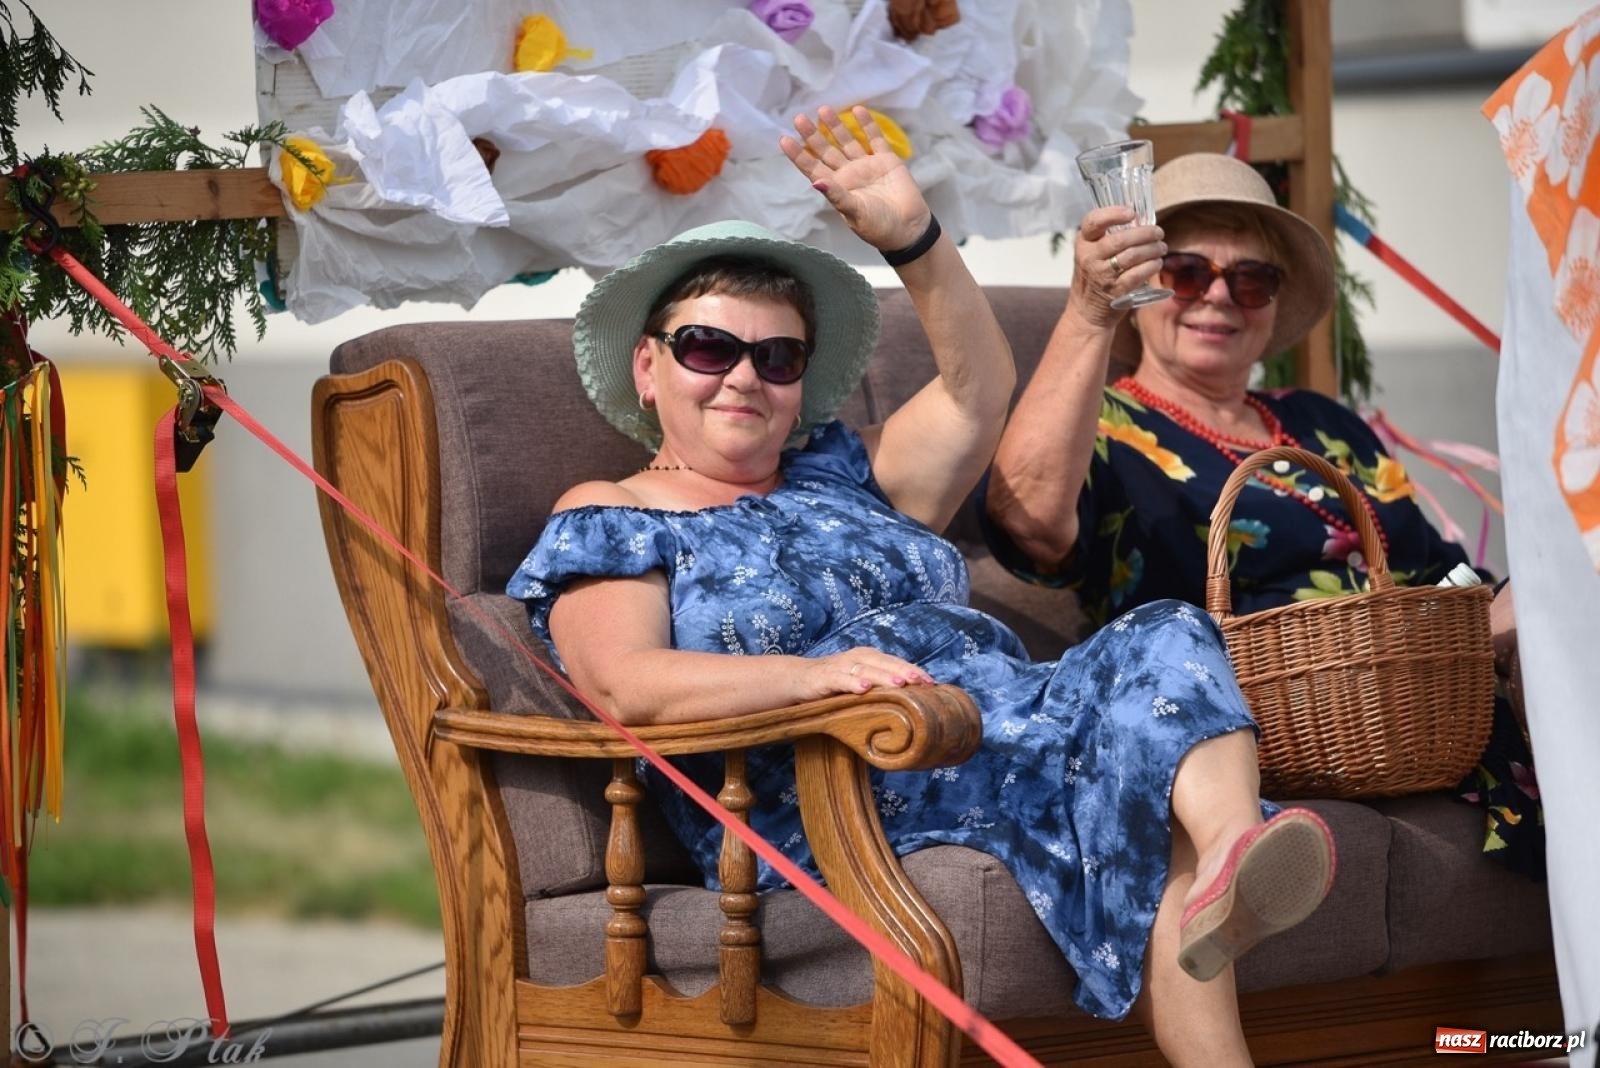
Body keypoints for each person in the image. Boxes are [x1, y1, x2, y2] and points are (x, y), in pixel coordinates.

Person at [507, 109, 1335, 1065]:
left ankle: (1239, 851)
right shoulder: (616, 511)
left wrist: (915, 238)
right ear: (648, 368)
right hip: (851, 773)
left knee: (1169, 631)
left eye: (777, 358)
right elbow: (624, 685)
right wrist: (813, 679)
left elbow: (980, 390)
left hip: (1004, 714)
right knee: (1148, 800)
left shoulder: (847, 472)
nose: (744, 377)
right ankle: (1219, 863)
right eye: (707, 349)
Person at [983, 151, 1541, 878]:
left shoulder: (1318, 421)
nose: (1218, 297)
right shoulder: (1105, 426)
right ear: (1142, 287)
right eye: (1186, 272)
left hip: (1422, 695)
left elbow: (1436, 567)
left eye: (1251, 280)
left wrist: (1511, 607)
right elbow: (1027, 520)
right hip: (1257, 713)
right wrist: (1090, 309)